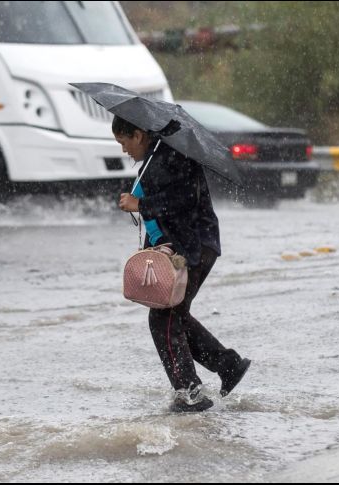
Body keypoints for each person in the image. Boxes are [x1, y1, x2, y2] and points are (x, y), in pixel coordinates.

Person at [113, 115, 251, 413]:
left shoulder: (168, 156)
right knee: (175, 316)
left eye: (123, 142)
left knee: (164, 319)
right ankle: (228, 364)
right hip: (193, 245)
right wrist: (136, 197)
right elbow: (169, 200)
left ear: (138, 134)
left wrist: (142, 205)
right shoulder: (157, 157)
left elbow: (182, 201)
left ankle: (189, 393)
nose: (124, 149)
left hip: (192, 248)